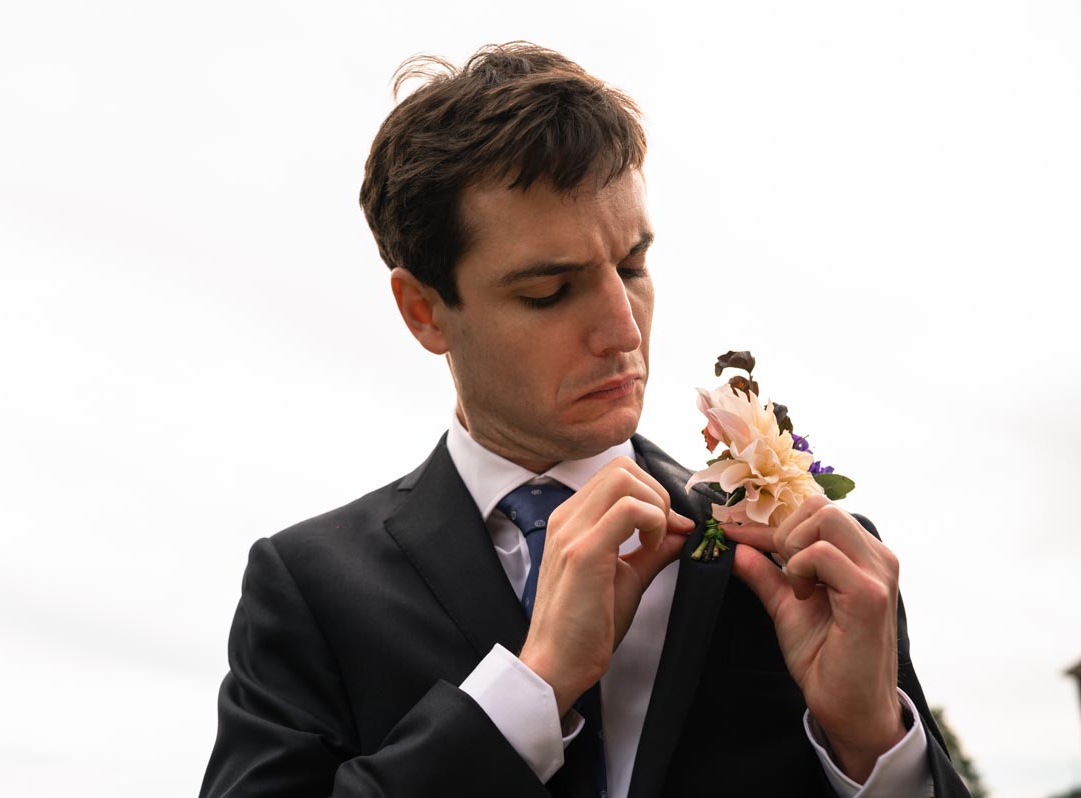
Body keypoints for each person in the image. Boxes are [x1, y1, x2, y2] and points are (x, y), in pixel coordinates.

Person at [199, 43, 970, 797]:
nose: (624, 331)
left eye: (633, 266)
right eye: (551, 291)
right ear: (424, 310)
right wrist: (530, 689)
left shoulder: (813, 569)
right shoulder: (309, 588)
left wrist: (873, 748)